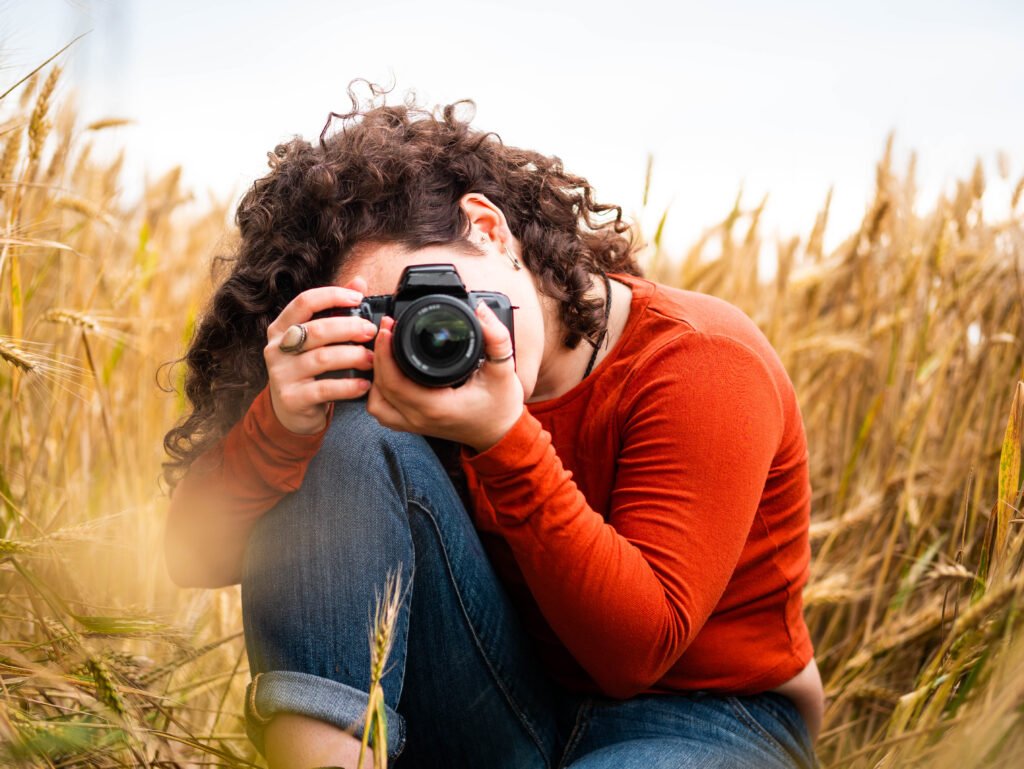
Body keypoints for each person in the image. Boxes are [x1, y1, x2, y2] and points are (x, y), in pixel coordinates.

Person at [161, 81, 824, 769]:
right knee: (343, 436)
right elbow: (188, 557)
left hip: (707, 713)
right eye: (385, 316)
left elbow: (634, 655)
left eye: (438, 295)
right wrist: (280, 428)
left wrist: (502, 437)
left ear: (489, 228)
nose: (429, 333)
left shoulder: (699, 359)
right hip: (499, 695)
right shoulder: (393, 387)